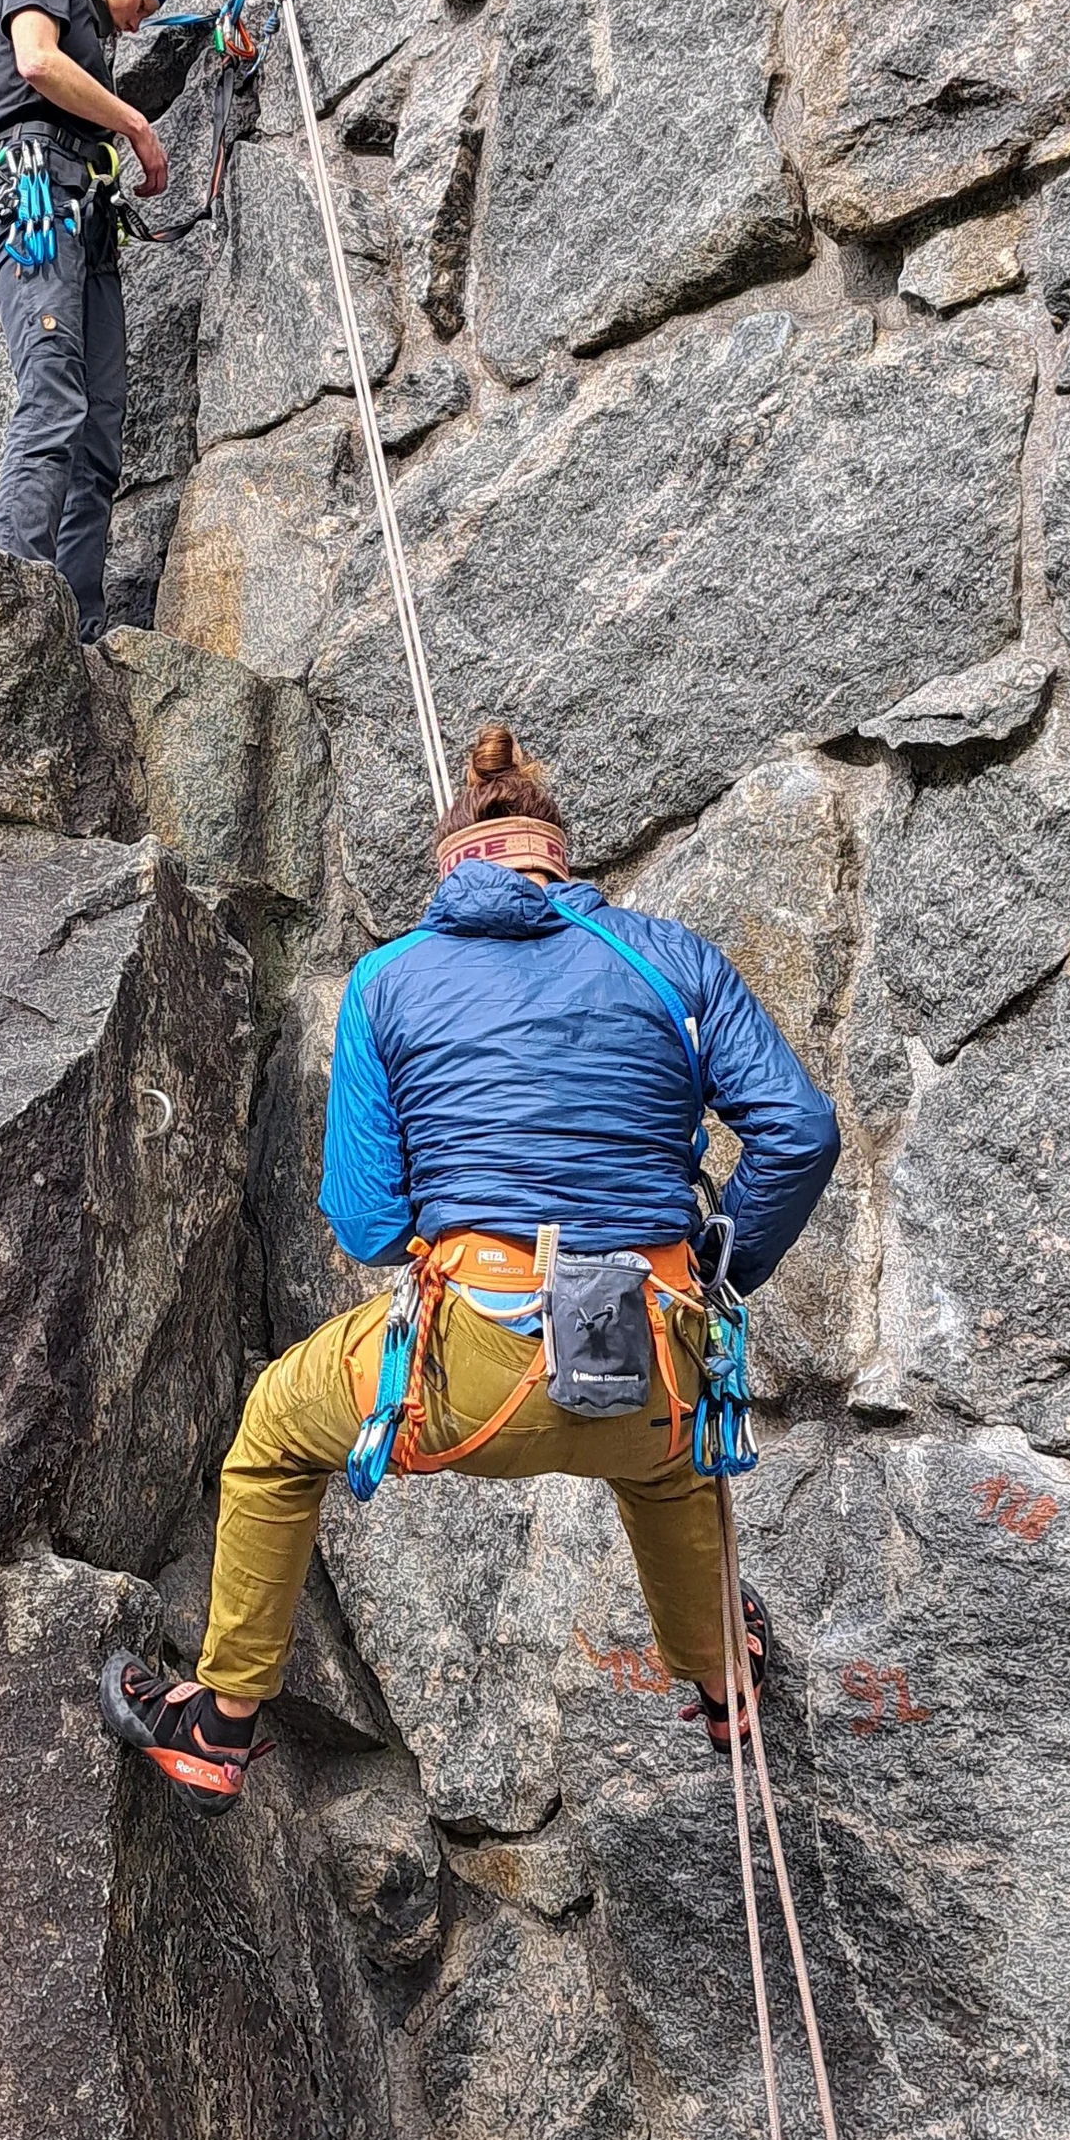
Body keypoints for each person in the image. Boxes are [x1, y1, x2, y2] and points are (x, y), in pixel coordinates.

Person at [102, 723, 841, 1811]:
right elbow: (800, 1132)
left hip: (465, 1374)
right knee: (674, 1465)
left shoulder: (389, 979)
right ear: (560, 860)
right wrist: (724, 1261)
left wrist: (460, 1233)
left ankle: (219, 1722)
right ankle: (724, 1679)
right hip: (651, 1358)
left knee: (271, 1431)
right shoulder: (668, 958)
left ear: (450, 866)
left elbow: (362, 1220)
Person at [0, 0, 176, 641]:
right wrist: (133, 129)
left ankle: (79, 625)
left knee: (99, 425)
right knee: (52, 397)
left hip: (82, 221)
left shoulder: (93, 49)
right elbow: (36, 63)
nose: (138, 29)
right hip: (39, 205)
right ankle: (18, 597)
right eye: (143, 7)